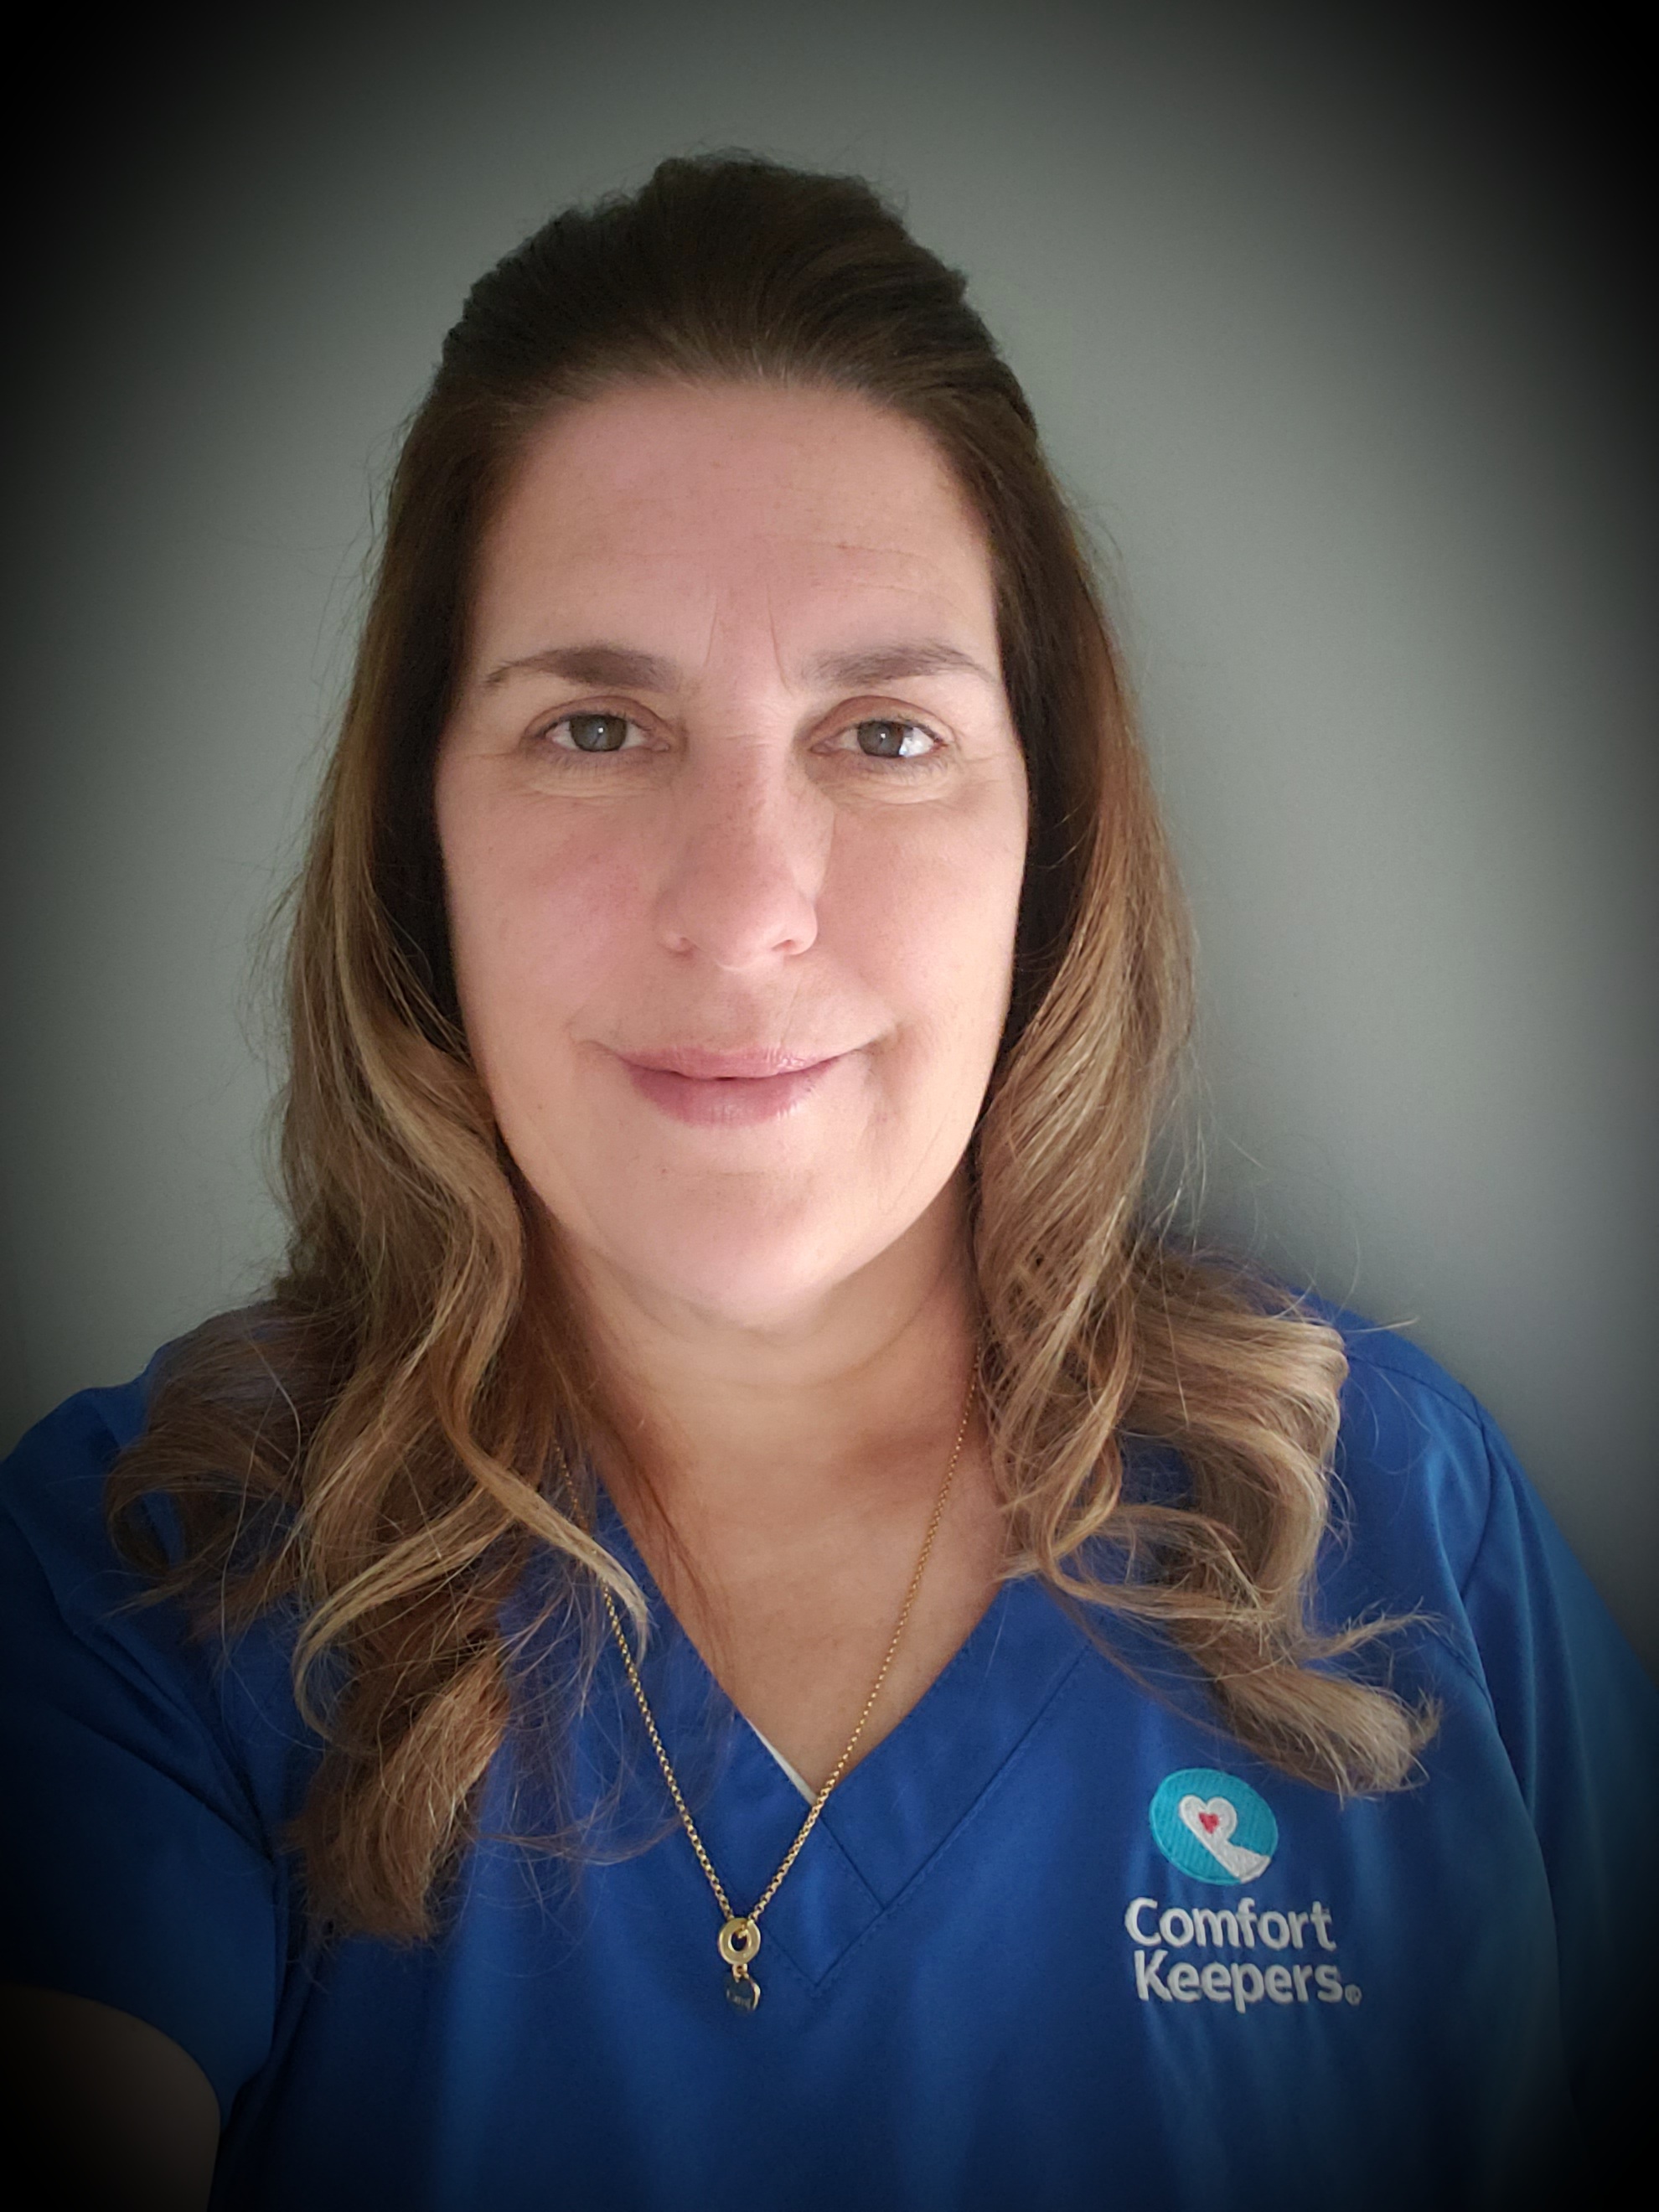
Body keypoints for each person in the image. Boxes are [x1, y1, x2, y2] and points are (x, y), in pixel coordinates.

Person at [1, 153, 1653, 2212]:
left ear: (1046, 839)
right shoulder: (146, 1577)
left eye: (884, 736)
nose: (745, 908)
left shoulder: (1394, 1522)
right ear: (422, 840)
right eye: (596, 728)